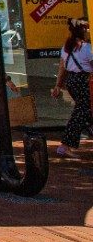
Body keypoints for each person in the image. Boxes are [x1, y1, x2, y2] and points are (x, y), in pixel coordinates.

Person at [52, 17, 91, 158]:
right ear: (83, 30)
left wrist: (58, 85)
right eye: (87, 28)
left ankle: (67, 144)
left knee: (85, 111)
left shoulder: (66, 47)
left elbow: (62, 68)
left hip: (72, 81)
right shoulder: (86, 48)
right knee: (82, 112)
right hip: (84, 81)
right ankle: (65, 145)